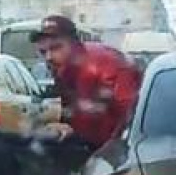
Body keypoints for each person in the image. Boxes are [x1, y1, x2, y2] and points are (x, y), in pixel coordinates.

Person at [31, 15, 142, 154]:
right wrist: (66, 127)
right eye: (43, 52)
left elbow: (130, 117)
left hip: (121, 152)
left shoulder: (108, 66)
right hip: (95, 147)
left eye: (56, 48)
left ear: (74, 44)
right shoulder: (65, 69)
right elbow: (76, 110)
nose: (49, 57)